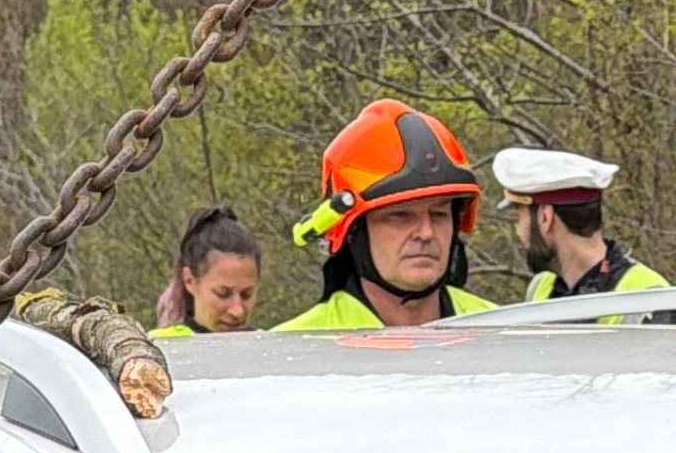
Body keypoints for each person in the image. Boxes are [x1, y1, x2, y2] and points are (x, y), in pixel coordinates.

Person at [275, 100, 502, 331]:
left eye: (438, 214)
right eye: (401, 215)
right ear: (354, 230)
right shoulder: (290, 352)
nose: (426, 232)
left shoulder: (501, 333)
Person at [492, 146, 670, 308]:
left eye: (519, 217)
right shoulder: (541, 287)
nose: (518, 231)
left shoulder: (651, 296)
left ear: (545, 217)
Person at [151, 205, 261, 338]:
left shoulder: (273, 349)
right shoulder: (160, 349)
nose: (237, 311)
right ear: (189, 281)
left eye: (246, 295)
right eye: (223, 294)